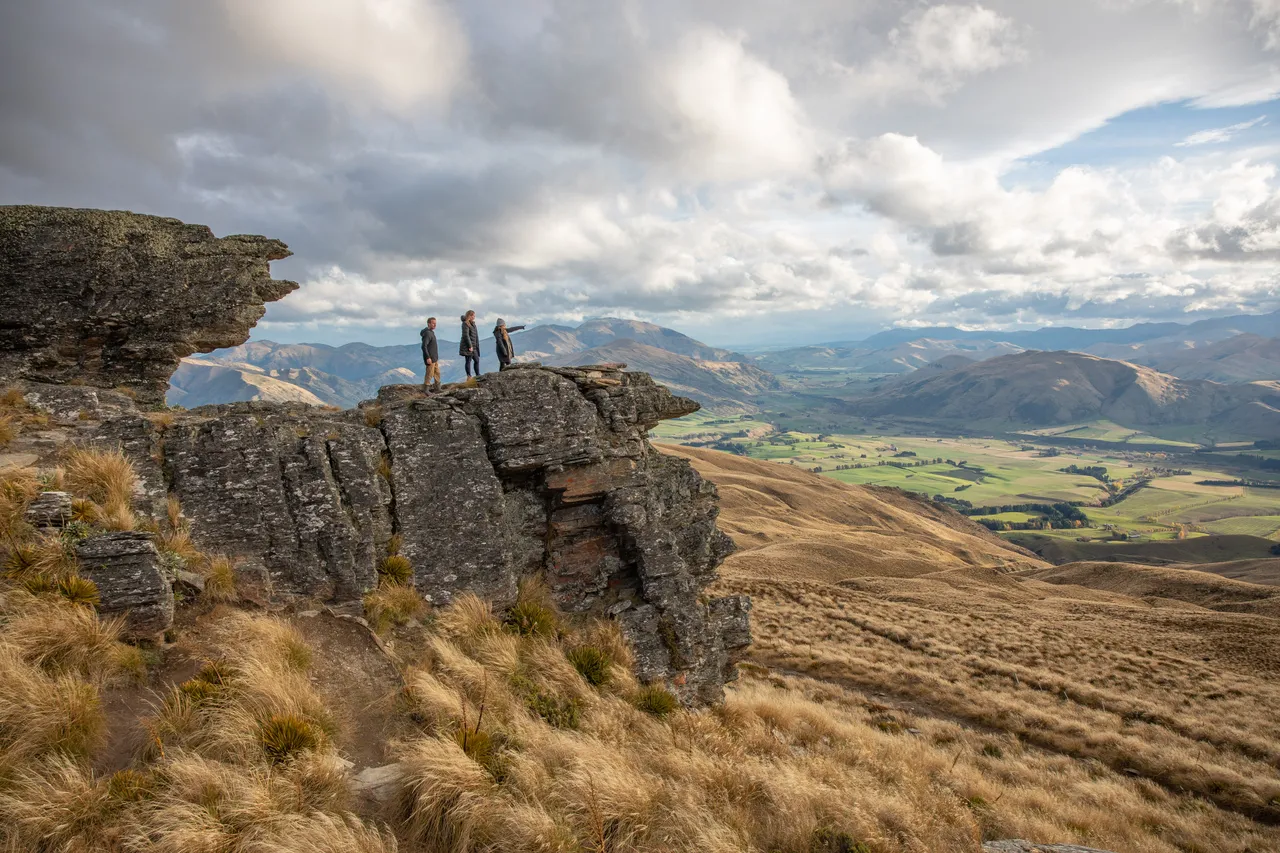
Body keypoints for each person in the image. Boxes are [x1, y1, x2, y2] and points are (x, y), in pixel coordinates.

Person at [419, 316, 440, 392]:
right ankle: (426, 390)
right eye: (433, 323)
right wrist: (428, 357)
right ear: (429, 324)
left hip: (434, 358)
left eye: (435, 323)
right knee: (429, 373)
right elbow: (424, 346)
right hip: (430, 358)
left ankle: (438, 388)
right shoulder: (428, 333)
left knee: (437, 372)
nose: (435, 325)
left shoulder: (431, 332)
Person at [459, 310, 481, 377]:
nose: (474, 317)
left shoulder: (473, 324)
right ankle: (469, 376)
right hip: (468, 347)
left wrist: (476, 345)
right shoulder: (465, 324)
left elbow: (476, 336)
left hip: (474, 346)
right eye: (473, 315)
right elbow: (466, 335)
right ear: (469, 316)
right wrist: (470, 346)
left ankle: (478, 375)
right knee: (468, 361)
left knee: (476, 360)